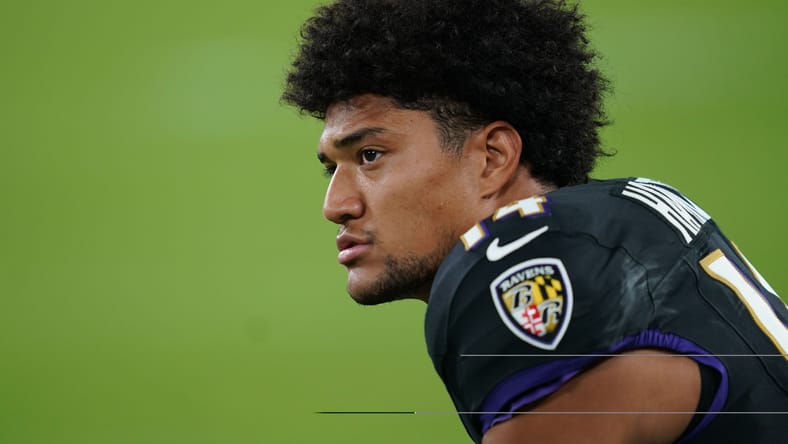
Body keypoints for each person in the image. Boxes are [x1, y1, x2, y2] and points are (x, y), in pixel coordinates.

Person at [281, 0, 788, 442]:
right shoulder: (618, 216)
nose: (336, 204)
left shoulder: (520, 258)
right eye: (331, 168)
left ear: (492, 157)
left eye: (370, 155)